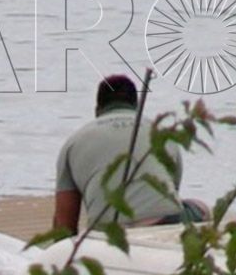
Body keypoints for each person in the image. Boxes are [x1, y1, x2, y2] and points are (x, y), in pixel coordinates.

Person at [52, 74, 196, 233]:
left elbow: (64, 224)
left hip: (106, 232)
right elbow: (171, 193)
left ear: (97, 110)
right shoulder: (163, 135)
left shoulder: (74, 142)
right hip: (164, 224)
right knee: (200, 208)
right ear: (137, 107)